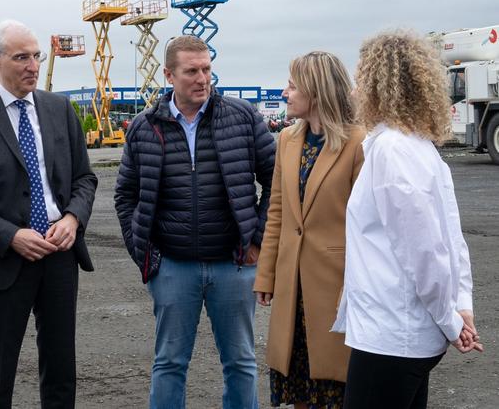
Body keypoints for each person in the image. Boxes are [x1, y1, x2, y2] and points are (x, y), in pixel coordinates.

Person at [114, 35, 276, 408]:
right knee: (169, 363)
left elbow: (275, 180)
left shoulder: (242, 116)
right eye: (192, 71)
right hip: (172, 268)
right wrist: (145, 255)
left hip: (234, 265)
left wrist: (257, 240)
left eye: (207, 69)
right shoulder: (144, 127)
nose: (203, 79)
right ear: (169, 75)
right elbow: (125, 195)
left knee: (241, 361)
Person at [0, 19, 97, 409]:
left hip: (60, 255)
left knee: (61, 367)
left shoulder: (59, 109)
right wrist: (10, 235)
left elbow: (85, 178)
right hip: (5, 260)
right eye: (21, 57)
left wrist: (72, 219)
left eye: (36, 56)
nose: (32, 66)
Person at [332, 31, 483, 409]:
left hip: (392, 335)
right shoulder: (417, 147)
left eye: (359, 77)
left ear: (377, 84)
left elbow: (425, 251)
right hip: (404, 333)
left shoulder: (391, 150)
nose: (353, 89)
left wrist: (453, 320)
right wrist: (460, 307)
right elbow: (449, 237)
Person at [253, 52, 365, 408]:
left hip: (337, 287)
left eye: (292, 85)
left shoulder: (359, 143)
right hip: (292, 287)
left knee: (333, 385)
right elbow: (278, 212)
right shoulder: (286, 140)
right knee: (298, 386)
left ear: (315, 91)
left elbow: (369, 226)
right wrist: (266, 275)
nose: (286, 93)